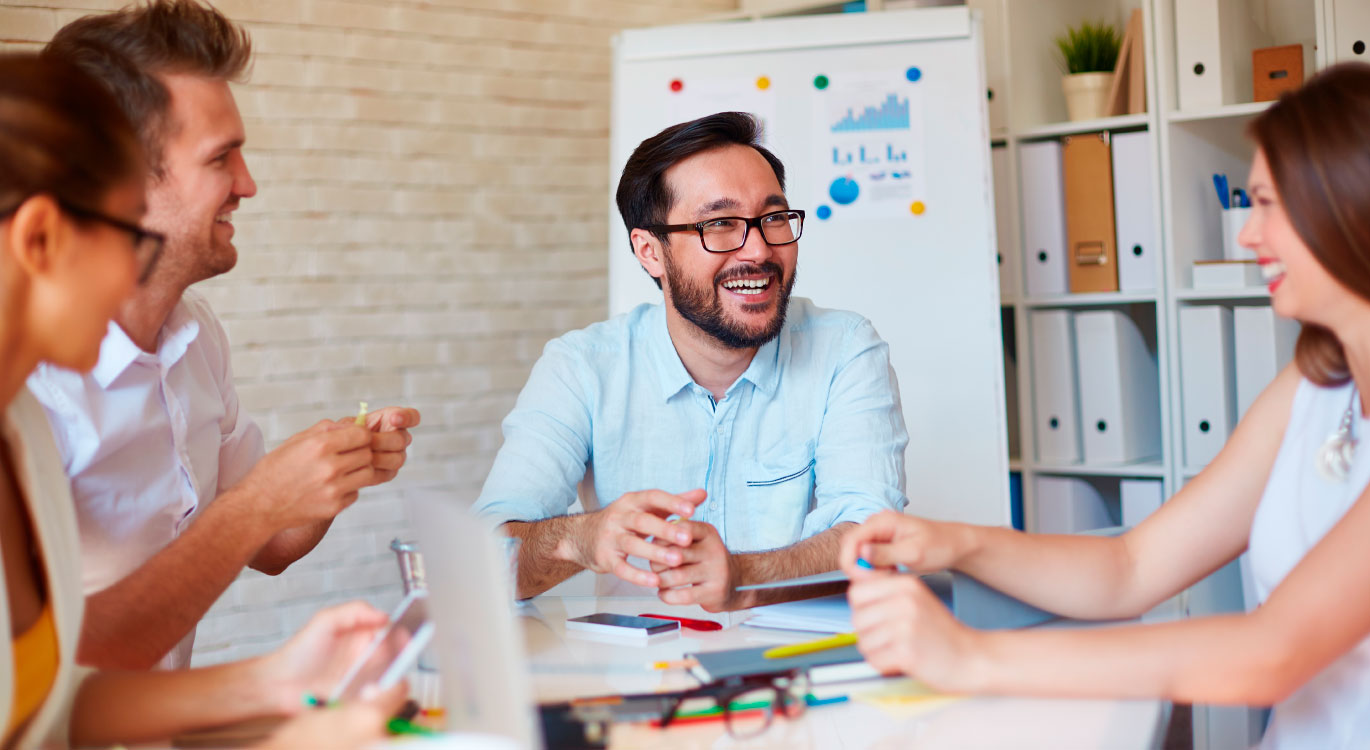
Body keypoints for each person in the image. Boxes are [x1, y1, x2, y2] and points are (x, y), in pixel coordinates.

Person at [838, 62, 1370, 750]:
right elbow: (1132, 569)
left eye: (1268, 204)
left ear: (1348, 203)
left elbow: (1271, 655)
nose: (1246, 235)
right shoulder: (1315, 390)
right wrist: (955, 542)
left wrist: (970, 657)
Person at [0, 51, 403, 750]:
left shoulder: (20, 430)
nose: (139, 273)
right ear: (40, 238)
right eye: (130, 233)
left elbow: (44, 702)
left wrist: (277, 681)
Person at [474, 111, 908, 611]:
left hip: (796, 670)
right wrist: (580, 538)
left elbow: (875, 540)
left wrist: (744, 577)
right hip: (633, 676)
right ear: (650, 252)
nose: (759, 250)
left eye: (773, 218)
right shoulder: (583, 367)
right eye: (719, 224)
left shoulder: (845, 349)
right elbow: (483, 561)